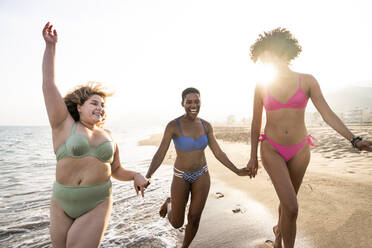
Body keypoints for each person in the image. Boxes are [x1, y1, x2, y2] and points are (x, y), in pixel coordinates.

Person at [246, 28, 372, 248]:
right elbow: (256, 123)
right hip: (272, 149)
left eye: (269, 55)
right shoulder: (261, 84)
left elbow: (327, 113)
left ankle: (278, 234)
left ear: (284, 52)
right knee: (292, 207)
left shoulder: (307, 81)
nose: (266, 61)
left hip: (300, 150)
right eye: (263, 57)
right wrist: (252, 157)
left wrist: (353, 139)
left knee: (288, 202)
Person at [42, 22, 147, 247]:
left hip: (96, 203)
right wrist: (51, 48)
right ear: (79, 106)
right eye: (94, 103)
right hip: (61, 202)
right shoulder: (63, 124)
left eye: (103, 105)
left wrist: (136, 175)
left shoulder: (108, 135)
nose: (100, 108)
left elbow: (116, 170)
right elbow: (48, 84)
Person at [145, 87, 249, 248]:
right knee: (177, 223)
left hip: (202, 174)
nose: (193, 105)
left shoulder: (206, 126)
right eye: (189, 102)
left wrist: (237, 171)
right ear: (183, 104)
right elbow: (160, 153)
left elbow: (218, 152)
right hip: (181, 175)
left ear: (200, 103)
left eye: (196, 101)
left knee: (194, 218)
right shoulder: (173, 126)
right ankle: (169, 203)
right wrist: (148, 175)